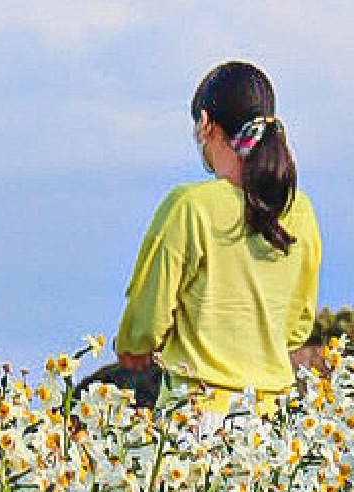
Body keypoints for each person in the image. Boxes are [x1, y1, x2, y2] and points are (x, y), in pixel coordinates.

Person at [95, 60, 321, 420]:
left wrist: (134, 348)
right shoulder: (300, 211)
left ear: (204, 124)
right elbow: (298, 326)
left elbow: (146, 319)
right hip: (271, 420)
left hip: (197, 415)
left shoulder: (190, 206)